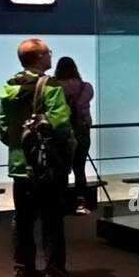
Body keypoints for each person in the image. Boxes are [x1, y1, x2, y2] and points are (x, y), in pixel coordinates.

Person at [0, 38, 83, 277]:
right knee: (52, 218)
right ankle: (54, 273)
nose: (50, 57)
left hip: (19, 166)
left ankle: (23, 269)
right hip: (47, 166)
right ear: (38, 57)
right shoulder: (51, 87)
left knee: (22, 218)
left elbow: (4, 130)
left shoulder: (8, 87)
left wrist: (19, 148)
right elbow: (60, 124)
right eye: (48, 53)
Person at [54, 56, 94, 215]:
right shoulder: (86, 87)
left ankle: (60, 203)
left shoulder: (55, 87)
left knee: (60, 170)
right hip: (82, 132)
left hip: (62, 133)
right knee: (80, 169)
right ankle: (80, 204)